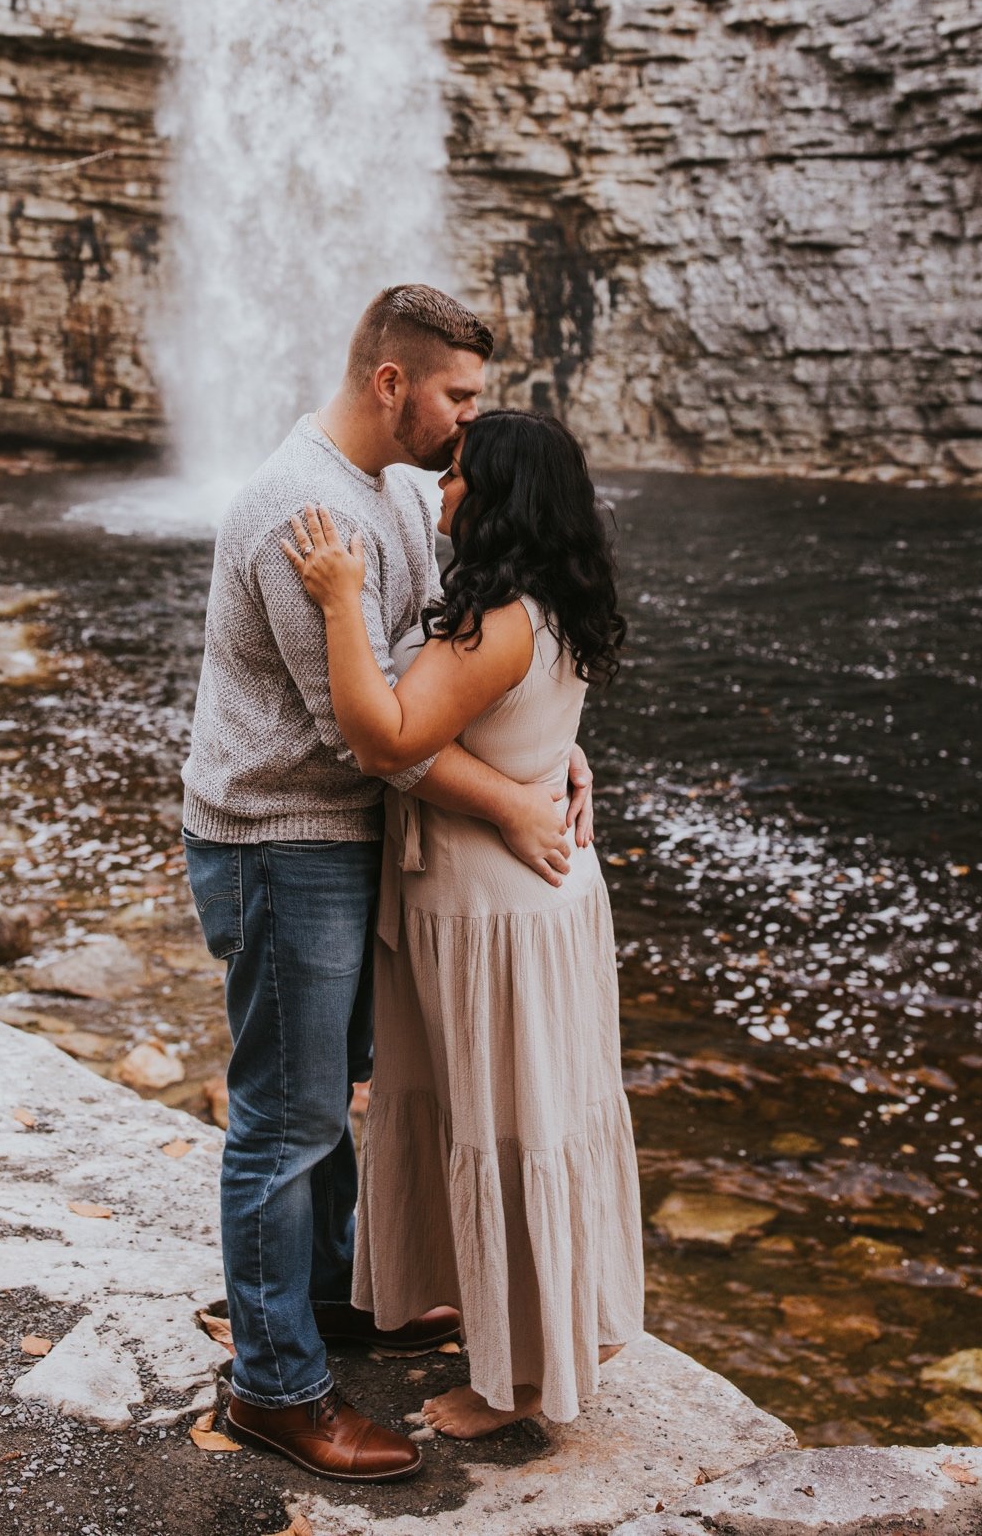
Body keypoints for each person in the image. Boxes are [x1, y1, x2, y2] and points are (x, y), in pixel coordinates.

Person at [182, 285, 593, 1483]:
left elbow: (454, 667)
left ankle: (332, 1300)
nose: (472, 423)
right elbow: (384, 736)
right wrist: (516, 798)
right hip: (281, 841)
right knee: (288, 1114)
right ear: (390, 384)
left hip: (346, 842)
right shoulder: (298, 511)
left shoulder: (402, 491)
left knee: (336, 1092)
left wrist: (547, 745)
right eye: (459, 396)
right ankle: (276, 1384)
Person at [283, 407, 644, 1438]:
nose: (440, 493)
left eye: (456, 479)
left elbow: (381, 734)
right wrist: (546, 768)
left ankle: (520, 1386)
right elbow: (524, 725)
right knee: (537, 1118)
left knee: (507, 1126)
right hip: (535, 901)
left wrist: (343, 600)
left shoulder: (494, 621)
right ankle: (545, 1332)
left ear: (497, 499)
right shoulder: (554, 601)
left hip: (493, 917)